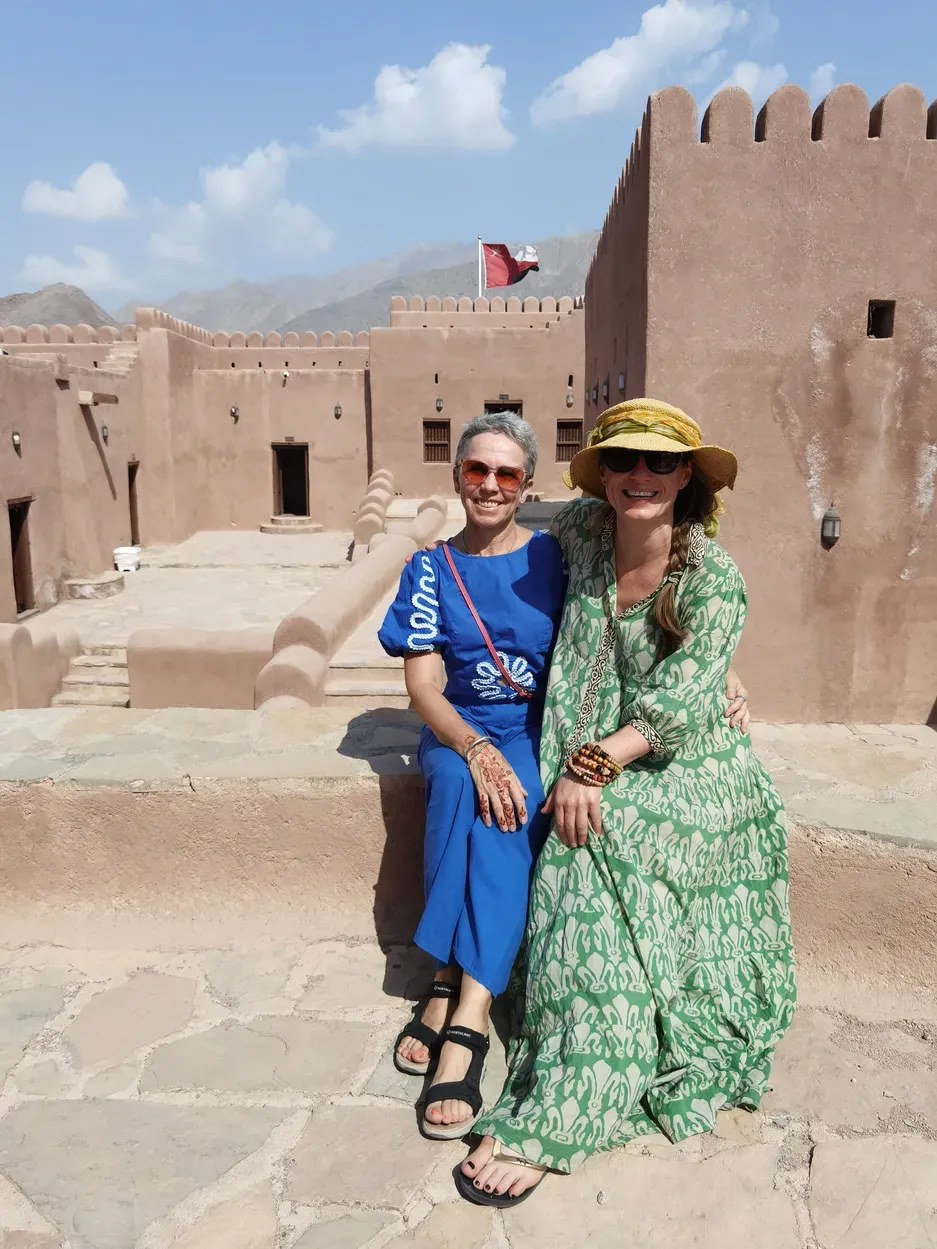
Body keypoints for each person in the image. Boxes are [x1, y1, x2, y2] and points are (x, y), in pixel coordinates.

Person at [458, 399, 796, 1206]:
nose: (638, 475)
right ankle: (577, 1042)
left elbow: (675, 708)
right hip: (595, 752)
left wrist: (592, 764)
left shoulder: (710, 578)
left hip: (683, 766)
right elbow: (496, 535)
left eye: (658, 461)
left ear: (686, 477)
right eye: (621, 460)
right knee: (574, 847)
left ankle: (571, 1097)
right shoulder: (581, 531)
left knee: (588, 845)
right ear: (601, 476)